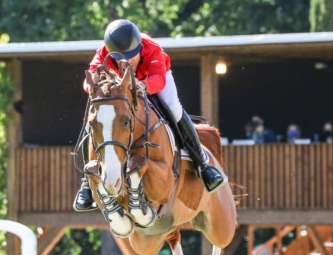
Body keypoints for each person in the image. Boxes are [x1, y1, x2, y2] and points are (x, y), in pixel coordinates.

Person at [73, 19, 227, 211]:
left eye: (132, 55)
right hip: (122, 89)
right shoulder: (103, 52)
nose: (128, 61)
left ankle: (203, 165)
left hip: (152, 80)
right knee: (96, 117)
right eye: (122, 57)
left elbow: (158, 79)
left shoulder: (151, 48)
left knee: (173, 107)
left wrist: (141, 86)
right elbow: (88, 83)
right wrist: (94, 85)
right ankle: (87, 184)